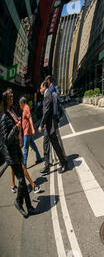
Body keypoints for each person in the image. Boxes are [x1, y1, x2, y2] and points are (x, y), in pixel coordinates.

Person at [1, 89, 36, 218]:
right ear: (5, 100)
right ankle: (18, 202)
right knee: (21, 181)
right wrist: (16, 127)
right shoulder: (4, 117)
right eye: (10, 97)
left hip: (16, 150)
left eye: (12, 96)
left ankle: (30, 207)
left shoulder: (12, 111)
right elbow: (5, 139)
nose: (12, 98)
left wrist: (17, 125)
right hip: (11, 153)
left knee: (22, 181)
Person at [39, 81, 68, 174]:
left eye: (40, 87)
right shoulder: (47, 94)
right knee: (46, 144)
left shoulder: (47, 95)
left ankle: (64, 163)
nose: (40, 90)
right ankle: (47, 166)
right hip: (49, 125)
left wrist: (41, 124)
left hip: (50, 125)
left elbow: (46, 111)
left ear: (44, 87)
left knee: (55, 144)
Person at [19, 97, 42, 168]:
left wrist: (32, 129)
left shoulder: (26, 108)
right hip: (27, 131)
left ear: (22, 103)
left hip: (27, 131)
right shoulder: (25, 108)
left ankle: (24, 164)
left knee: (25, 148)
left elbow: (30, 118)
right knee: (33, 145)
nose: (20, 106)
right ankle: (39, 158)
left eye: (20, 104)